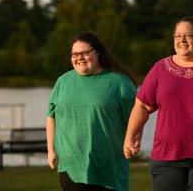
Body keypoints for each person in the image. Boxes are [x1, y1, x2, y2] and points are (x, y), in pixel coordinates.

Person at [46, 31, 136, 191]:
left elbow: (137, 117)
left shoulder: (119, 82)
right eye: (74, 54)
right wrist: (51, 150)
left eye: (85, 53)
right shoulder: (63, 81)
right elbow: (51, 117)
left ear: (99, 52)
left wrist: (133, 141)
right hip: (70, 165)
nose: (79, 57)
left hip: (107, 166)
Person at [123, 15, 193, 191]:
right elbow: (142, 106)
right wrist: (130, 137)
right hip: (167, 160)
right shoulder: (160, 69)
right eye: (178, 36)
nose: (182, 40)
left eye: (189, 35)